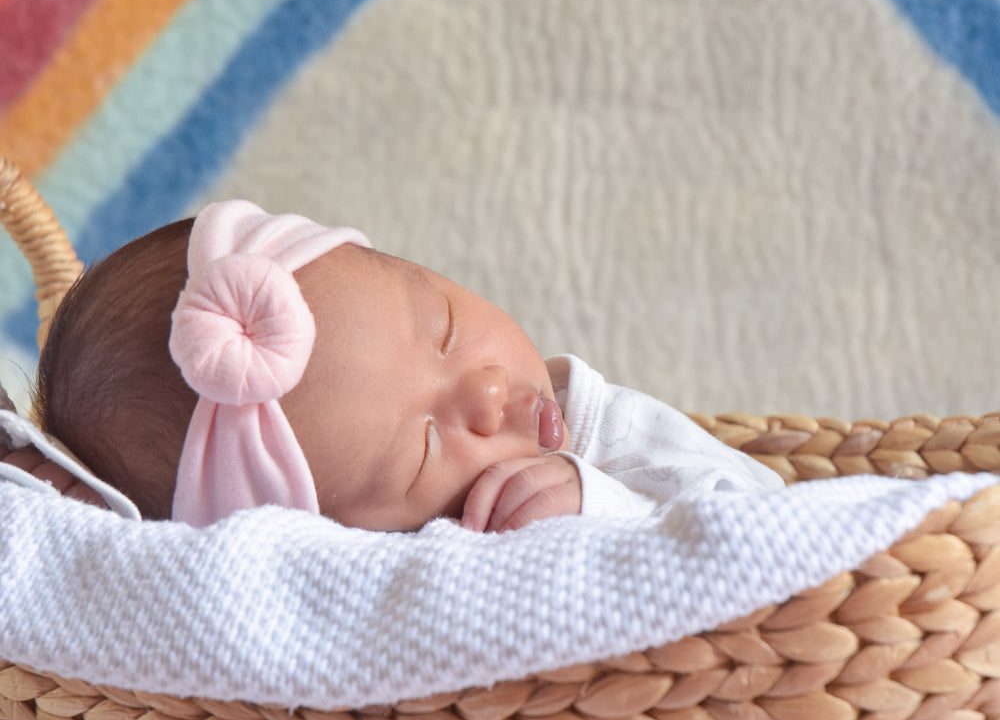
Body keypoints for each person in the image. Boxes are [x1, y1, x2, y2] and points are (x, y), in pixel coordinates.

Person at [33, 201, 782, 531]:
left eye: (447, 328)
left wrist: (600, 508)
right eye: (424, 447)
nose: (486, 395)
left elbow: (766, 527)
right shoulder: (398, 579)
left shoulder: (603, 431)